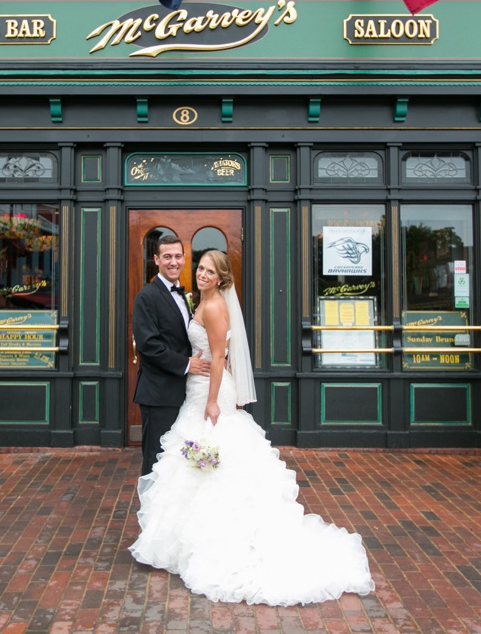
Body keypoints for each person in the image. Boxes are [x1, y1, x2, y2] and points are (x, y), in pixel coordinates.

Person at [129, 250, 375, 606]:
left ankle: (218, 541)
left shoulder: (212, 307)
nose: (200, 273)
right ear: (157, 260)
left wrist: (212, 400)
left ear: (220, 278)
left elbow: (217, 356)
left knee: (212, 460)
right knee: (191, 462)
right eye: (198, 267)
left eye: (208, 270)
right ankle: (185, 539)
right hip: (195, 388)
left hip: (208, 393)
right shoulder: (190, 298)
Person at [132, 234, 210, 476]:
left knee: (175, 461)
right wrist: (187, 364)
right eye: (167, 257)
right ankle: (150, 513)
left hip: (181, 391)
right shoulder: (146, 297)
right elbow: (149, 345)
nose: (173, 262)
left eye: (178, 256)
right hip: (159, 395)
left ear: (184, 258)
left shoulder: (182, 295)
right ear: (156, 259)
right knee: (156, 460)